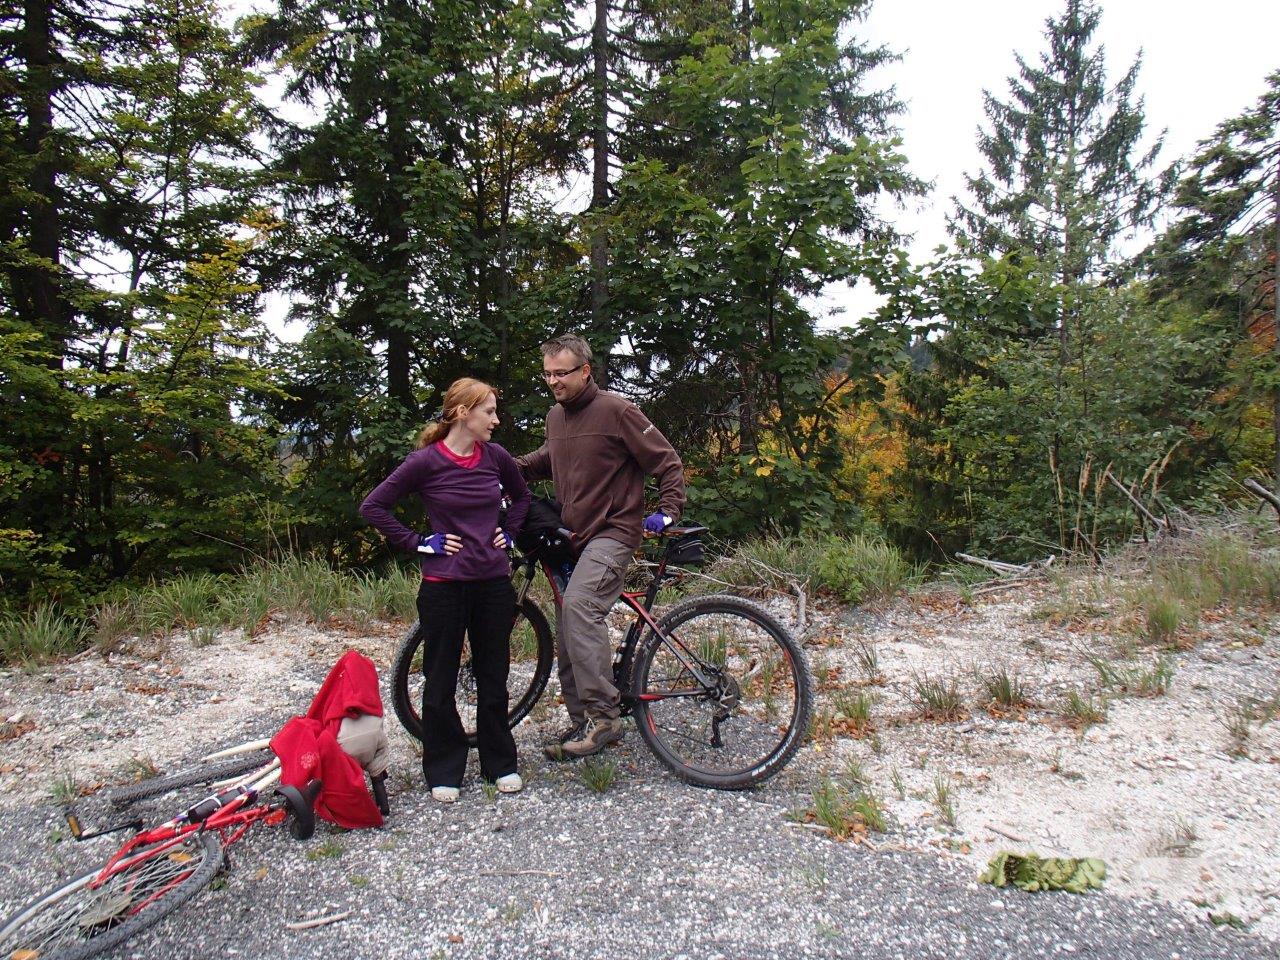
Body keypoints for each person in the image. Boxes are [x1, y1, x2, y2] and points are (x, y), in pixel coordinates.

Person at [360, 378, 530, 803]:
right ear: (461, 413)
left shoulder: (496, 457)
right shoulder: (425, 463)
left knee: (494, 676)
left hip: (492, 583)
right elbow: (374, 506)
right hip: (444, 587)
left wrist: (508, 534)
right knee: (440, 680)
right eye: (488, 411)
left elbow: (523, 499)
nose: (495, 419)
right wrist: (419, 541)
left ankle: (500, 764)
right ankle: (444, 768)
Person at [518, 334, 685, 760]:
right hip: (572, 538)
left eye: (562, 373)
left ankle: (605, 717)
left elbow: (666, 461)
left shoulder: (617, 411)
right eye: (548, 373)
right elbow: (544, 460)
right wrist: (492, 467)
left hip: (613, 533)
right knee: (568, 626)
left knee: (579, 607)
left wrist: (667, 512)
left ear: (585, 370)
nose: (553, 381)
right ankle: (583, 720)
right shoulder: (556, 417)